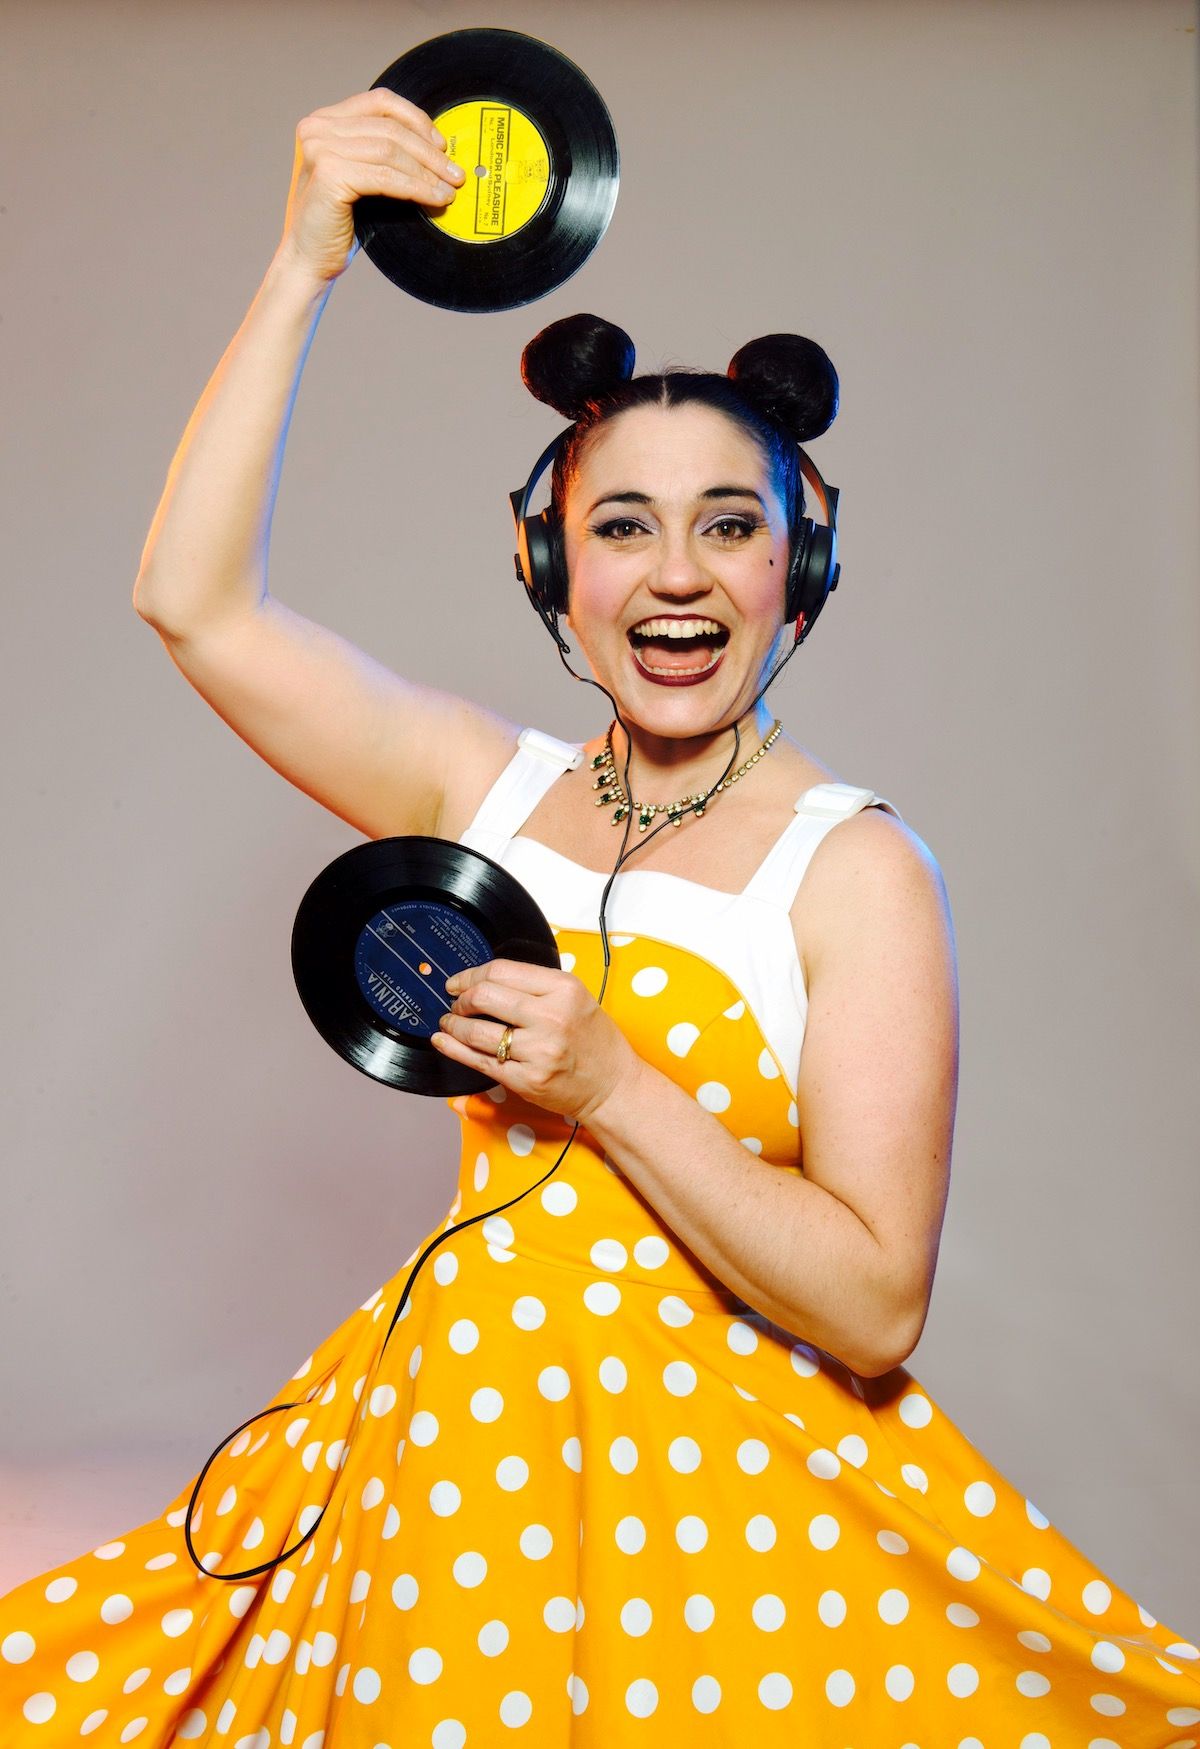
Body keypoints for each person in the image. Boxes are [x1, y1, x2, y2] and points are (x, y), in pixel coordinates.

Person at [1, 85, 1196, 1749]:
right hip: (447, 1487)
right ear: (553, 567)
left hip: (721, 1549)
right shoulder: (479, 785)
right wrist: (301, 264)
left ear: (802, 564)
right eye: (621, 526)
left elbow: (873, 1303)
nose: (678, 573)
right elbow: (189, 601)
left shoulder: (854, 868)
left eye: (731, 525)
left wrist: (612, 1083)